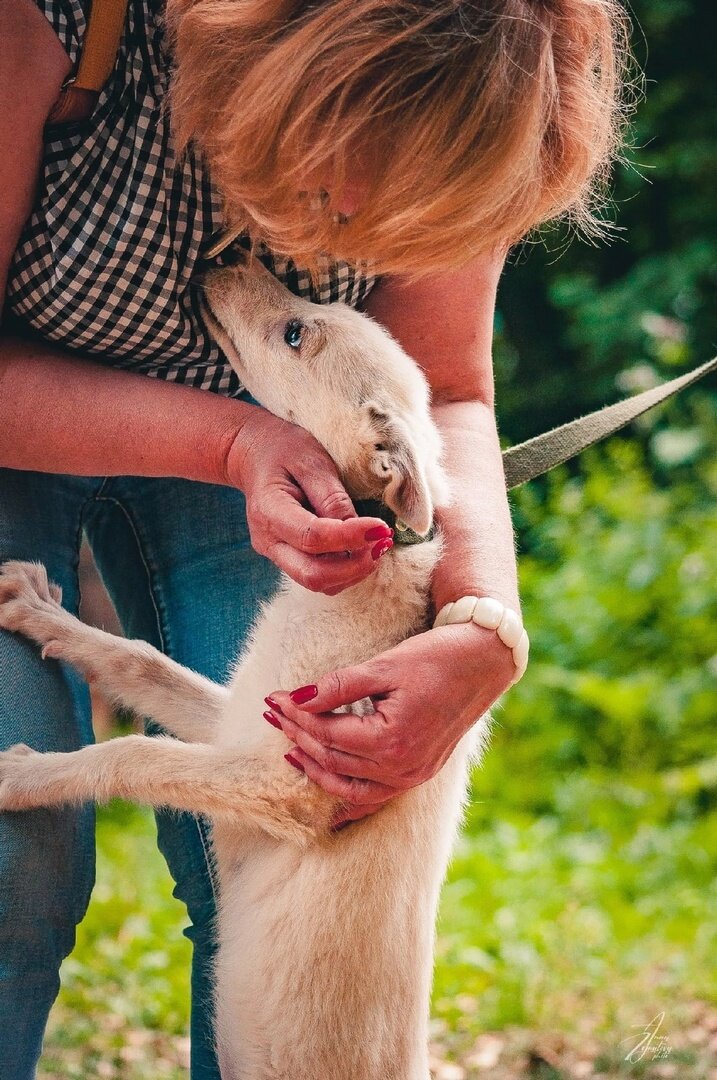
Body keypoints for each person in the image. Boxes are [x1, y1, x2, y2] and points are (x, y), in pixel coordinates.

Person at [0, 0, 629, 1076]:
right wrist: (231, 440)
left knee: (248, 859)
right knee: (17, 864)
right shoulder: (49, 25)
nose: (342, 227)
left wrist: (485, 626)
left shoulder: (482, 82)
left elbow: (451, 395)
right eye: (343, 180)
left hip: (285, 458)